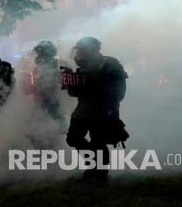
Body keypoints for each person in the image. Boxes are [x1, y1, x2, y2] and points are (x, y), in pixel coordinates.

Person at [65, 37, 128, 185]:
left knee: (98, 142)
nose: (79, 54)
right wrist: (71, 83)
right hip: (83, 109)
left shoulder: (109, 64)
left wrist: (100, 91)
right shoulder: (85, 68)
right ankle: (93, 166)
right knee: (73, 138)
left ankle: (100, 175)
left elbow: (119, 91)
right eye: (78, 51)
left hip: (103, 110)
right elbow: (75, 93)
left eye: (82, 51)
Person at [32, 40, 65, 127]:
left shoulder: (59, 66)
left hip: (55, 100)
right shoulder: (37, 68)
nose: (40, 56)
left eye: (43, 54)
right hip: (40, 100)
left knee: (58, 122)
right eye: (39, 53)